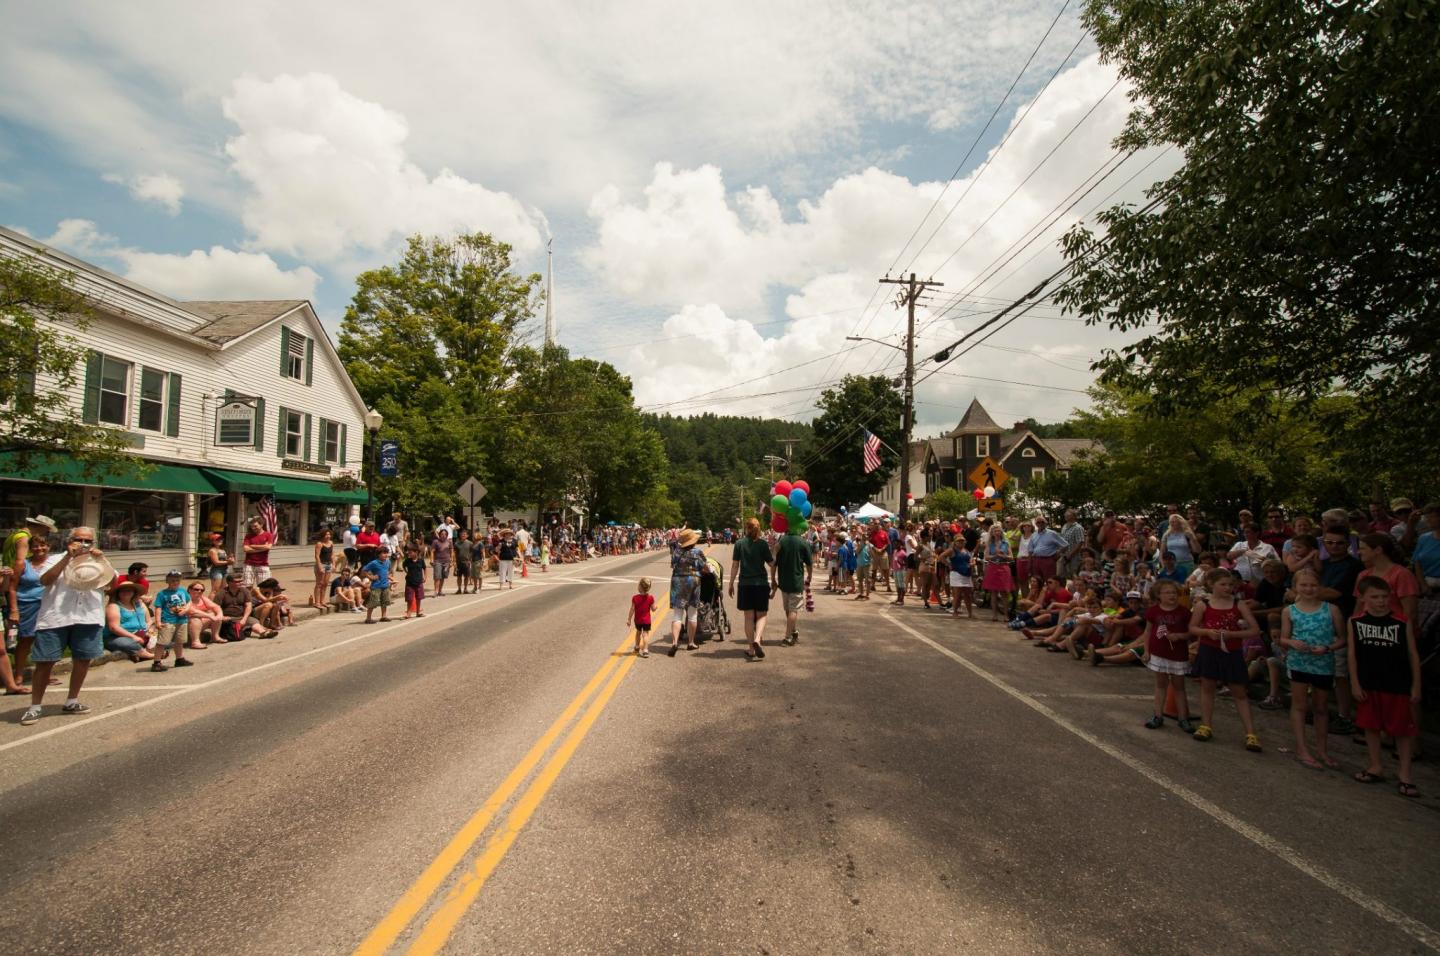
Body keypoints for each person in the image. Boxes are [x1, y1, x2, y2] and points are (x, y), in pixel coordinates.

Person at [20, 526, 114, 726]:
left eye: (88, 541)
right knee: (45, 662)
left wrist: (102, 559)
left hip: (88, 616)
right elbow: (45, 580)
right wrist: (67, 559)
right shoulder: (54, 559)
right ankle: (35, 706)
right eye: (79, 540)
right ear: (69, 541)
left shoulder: (97, 560)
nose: (83, 544)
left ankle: (72, 701)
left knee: (83, 660)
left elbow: (113, 583)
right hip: (56, 618)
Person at [1349, 576, 1422, 797]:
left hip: (1397, 683)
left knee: (1402, 730)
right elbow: (1352, 654)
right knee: (1371, 726)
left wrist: (1416, 685)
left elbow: (1412, 654)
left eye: (1384, 596)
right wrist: (1354, 682)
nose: (1380, 601)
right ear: (1363, 599)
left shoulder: (1400, 621)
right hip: (1369, 682)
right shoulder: (1355, 621)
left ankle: (1405, 774)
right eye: (1375, 597)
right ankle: (1375, 765)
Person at [1188, 568, 1263, 751]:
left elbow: (1255, 630)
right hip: (1209, 650)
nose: (1227, 588)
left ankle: (1251, 733)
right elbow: (1193, 628)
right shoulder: (1204, 604)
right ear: (1211, 585)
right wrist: (1206, 632)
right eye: (1223, 584)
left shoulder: (1239, 604)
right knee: (1208, 688)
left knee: (1239, 692)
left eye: (1230, 584)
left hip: (1232, 652)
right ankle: (1206, 725)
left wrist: (1232, 634)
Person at [1278, 568, 1345, 770]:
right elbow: (1282, 638)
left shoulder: (1331, 609)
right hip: (1299, 662)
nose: (1309, 589)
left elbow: (1343, 638)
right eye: (1304, 585)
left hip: (1323, 663)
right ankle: (1302, 748)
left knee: (1321, 707)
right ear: (1295, 587)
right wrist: (1291, 643)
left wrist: (1327, 648)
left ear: (1320, 587)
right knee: (1299, 705)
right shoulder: (1289, 610)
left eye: (1313, 585)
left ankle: (1322, 750)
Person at [1141, 580, 1193, 731]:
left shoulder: (1184, 612)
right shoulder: (1153, 611)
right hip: (1159, 652)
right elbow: (1148, 632)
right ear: (1159, 595)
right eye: (1168, 592)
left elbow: (1191, 632)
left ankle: (1183, 717)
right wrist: (1146, 650)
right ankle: (1158, 715)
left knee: (1179, 686)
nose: (1172, 595)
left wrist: (1180, 636)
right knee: (1160, 684)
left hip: (1178, 654)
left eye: (1174, 592)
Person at [730, 518, 774, 661]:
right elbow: (771, 563)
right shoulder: (762, 544)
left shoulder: (739, 544)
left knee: (748, 617)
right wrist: (777, 553)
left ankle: (751, 648)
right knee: (762, 615)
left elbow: (735, 565)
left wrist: (730, 583)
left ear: (747, 528)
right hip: (761, 583)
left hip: (745, 584)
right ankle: (757, 639)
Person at [667, 529, 706, 656]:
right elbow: (704, 567)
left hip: (678, 580)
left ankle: (674, 643)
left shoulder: (676, 552)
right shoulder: (697, 552)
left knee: (677, 615)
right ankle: (690, 643)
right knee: (692, 613)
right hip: (693, 581)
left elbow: (673, 565)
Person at [774, 528, 812, 646]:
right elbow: (809, 563)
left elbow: (773, 562)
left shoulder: (781, 542)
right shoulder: (803, 542)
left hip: (783, 580)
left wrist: (773, 579)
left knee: (788, 609)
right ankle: (788, 636)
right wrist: (810, 576)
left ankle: (793, 631)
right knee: (793, 609)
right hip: (796, 581)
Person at [104, 579, 156, 664]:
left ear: (134, 592)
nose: (126, 592)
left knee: (162, 634)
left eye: (129, 590)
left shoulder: (140, 604)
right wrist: (134, 636)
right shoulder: (113, 606)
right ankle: (147, 655)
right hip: (117, 636)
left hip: (141, 633)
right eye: (123, 590)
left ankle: (139, 653)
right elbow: (114, 628)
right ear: (118, 593)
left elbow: (149, 621)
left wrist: (149, 630)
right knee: (127, 643)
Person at [151, 569, 194, 671]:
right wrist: (158, 621)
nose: (175, 583)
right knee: (163, 642)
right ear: (167, 581)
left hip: (181, 619)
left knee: (179, 641)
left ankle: (179, 658)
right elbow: (158, 607)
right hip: (168, 620)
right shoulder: (162, 594)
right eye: (172, 580)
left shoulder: (182, 591)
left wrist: (186, 610)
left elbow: (189, 602)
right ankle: (157, 662)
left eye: (177, 580)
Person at [941, 537, 975, 619]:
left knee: (968, 594)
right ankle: (955, 612)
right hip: (956, 573)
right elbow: (941, 557)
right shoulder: (952, 550)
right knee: (958, 594)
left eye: (963, 541)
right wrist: (948, 564)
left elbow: (971, 559)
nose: (961, 542)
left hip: (966, 573)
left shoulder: (966, 551)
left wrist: (972, 563)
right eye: (959, 541)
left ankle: (970, 613)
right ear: (955, 542)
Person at [1159, 514, 1200, 579]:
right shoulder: (1167, 534)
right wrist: (1163, 563)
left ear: (1180, 522)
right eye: (1171, 522)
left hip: (1186, 563)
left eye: (1174, 522)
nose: (1172, 523)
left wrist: (1192, 538)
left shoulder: (1187, 533)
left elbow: (1197, 550)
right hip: (1171, 564)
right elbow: (1162, 551)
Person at [185, 582, 226, 646]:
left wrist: (220, 615)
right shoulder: (185, 599)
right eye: (196, 589)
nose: (199, 591)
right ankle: (195, 642)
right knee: (195, 619)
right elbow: (191, 612)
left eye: (202, 590)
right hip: (187, 625)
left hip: (201, 624)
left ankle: (215, 637)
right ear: (190, 590)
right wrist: (208, 615)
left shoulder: (202, 598)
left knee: (216, 616)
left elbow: (216, 607)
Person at [362, 546, 394, 624]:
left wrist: (389, 577)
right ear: (379, 554)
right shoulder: (374, 563)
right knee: (373, 602)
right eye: (383, 553)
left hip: (385, 585)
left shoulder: (388, 562)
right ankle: (368, 618)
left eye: (386, 553)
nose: (385, 555)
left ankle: (383, 616)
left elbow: (388, 571)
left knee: (385, 601)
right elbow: (364, 570)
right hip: (376, 585)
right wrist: (371, 577)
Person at [241, 519, 273, 588]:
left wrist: (252, 546)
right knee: (247, 586)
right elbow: (246, 549)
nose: (253, 528)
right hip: (249, 564)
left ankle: (263, 599)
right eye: (252, 526)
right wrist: (263, 547)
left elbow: (268, 547)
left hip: (263, 564)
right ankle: (249, 599)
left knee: (264, 587)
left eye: (255, 526)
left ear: (261, 525)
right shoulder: (248, 536)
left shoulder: (268, 535)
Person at [627, 577, 655, 658]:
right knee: (645, 634)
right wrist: (656, 607)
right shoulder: (650, 598)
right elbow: (653, 609)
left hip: (638, 620)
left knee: (638, 633)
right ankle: (645, 650)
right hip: (647, 621)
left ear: (640, 587)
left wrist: (629, 619)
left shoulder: (635, 598)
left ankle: (637, 646)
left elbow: (632, 609)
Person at [310, 529, 334, 610]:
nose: (328, 536)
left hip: (328, 564)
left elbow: (332, 554)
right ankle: (317, 602)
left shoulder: (331, 543)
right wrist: (319, 566)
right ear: (323, 535)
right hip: (322, 564)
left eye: (329, 534)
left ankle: (322, 601)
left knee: (325, 583)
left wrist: (334, 564)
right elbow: (317, 556)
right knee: (319, 583)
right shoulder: (319, 544)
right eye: (326, 535)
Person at [402, 544, 427, 619]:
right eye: (408, 552)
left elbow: (425, 568)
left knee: (418, 597)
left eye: (411, 552)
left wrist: (425, 577)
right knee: (409, 598)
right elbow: (404, 566)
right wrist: (407, 572)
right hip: (410, 582)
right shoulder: (407, 561)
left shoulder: (421, 561)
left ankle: (418, 612)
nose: (409, 554)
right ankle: (409, 613)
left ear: (416, 552)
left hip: (419, 581)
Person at [206, 533, 232, 597]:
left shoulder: (223, 550)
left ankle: (219, 604)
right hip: (216, 571)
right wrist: (228, 562)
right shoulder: (212, 550)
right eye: (217, 540)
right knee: (215, 590)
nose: (219, 541)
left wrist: (231, 560)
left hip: (224, 570)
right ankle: (210, 605)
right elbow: (216, 562)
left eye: (221, 539)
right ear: (213, 541)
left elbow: (227, 561)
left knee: (223, 590)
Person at [430, 528, 453, 598]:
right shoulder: (435, 542)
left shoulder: (449, 542)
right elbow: (432, 551)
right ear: (439, 534)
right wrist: (431, 560)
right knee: (437, 577)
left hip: (446, 562)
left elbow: (452, 551)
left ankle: (440, 591)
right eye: (442, 534)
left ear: (447, 535)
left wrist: (451, 561)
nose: (443, 535)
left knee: (443, 576)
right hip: (438, 561)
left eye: (445, 534)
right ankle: (436, 591)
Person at [455, 529, 475, 595]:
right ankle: (459, 589)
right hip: (459, 562)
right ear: (460, 535)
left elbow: (472, 552)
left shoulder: (470, 543)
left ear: (467, 535)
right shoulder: (456, 543)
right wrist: (454, 562)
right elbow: (455, 553)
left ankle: (465, 589)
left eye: (464, 534)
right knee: (459, 576)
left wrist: (470, 560)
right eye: (462, 534)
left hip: (467, 562)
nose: (463, 535)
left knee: (466, 576)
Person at [889, 540, 908, 607]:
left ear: (900, 544)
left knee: (901, 585)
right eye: (895, 544)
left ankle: (901, 599)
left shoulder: (903, 553)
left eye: (897, 544)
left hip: (901, 570)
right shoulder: (895, 551)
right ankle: (898, 598)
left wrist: (901, 563)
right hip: (895, 570)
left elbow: (906, 563)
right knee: (897, 585)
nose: (895, 545)